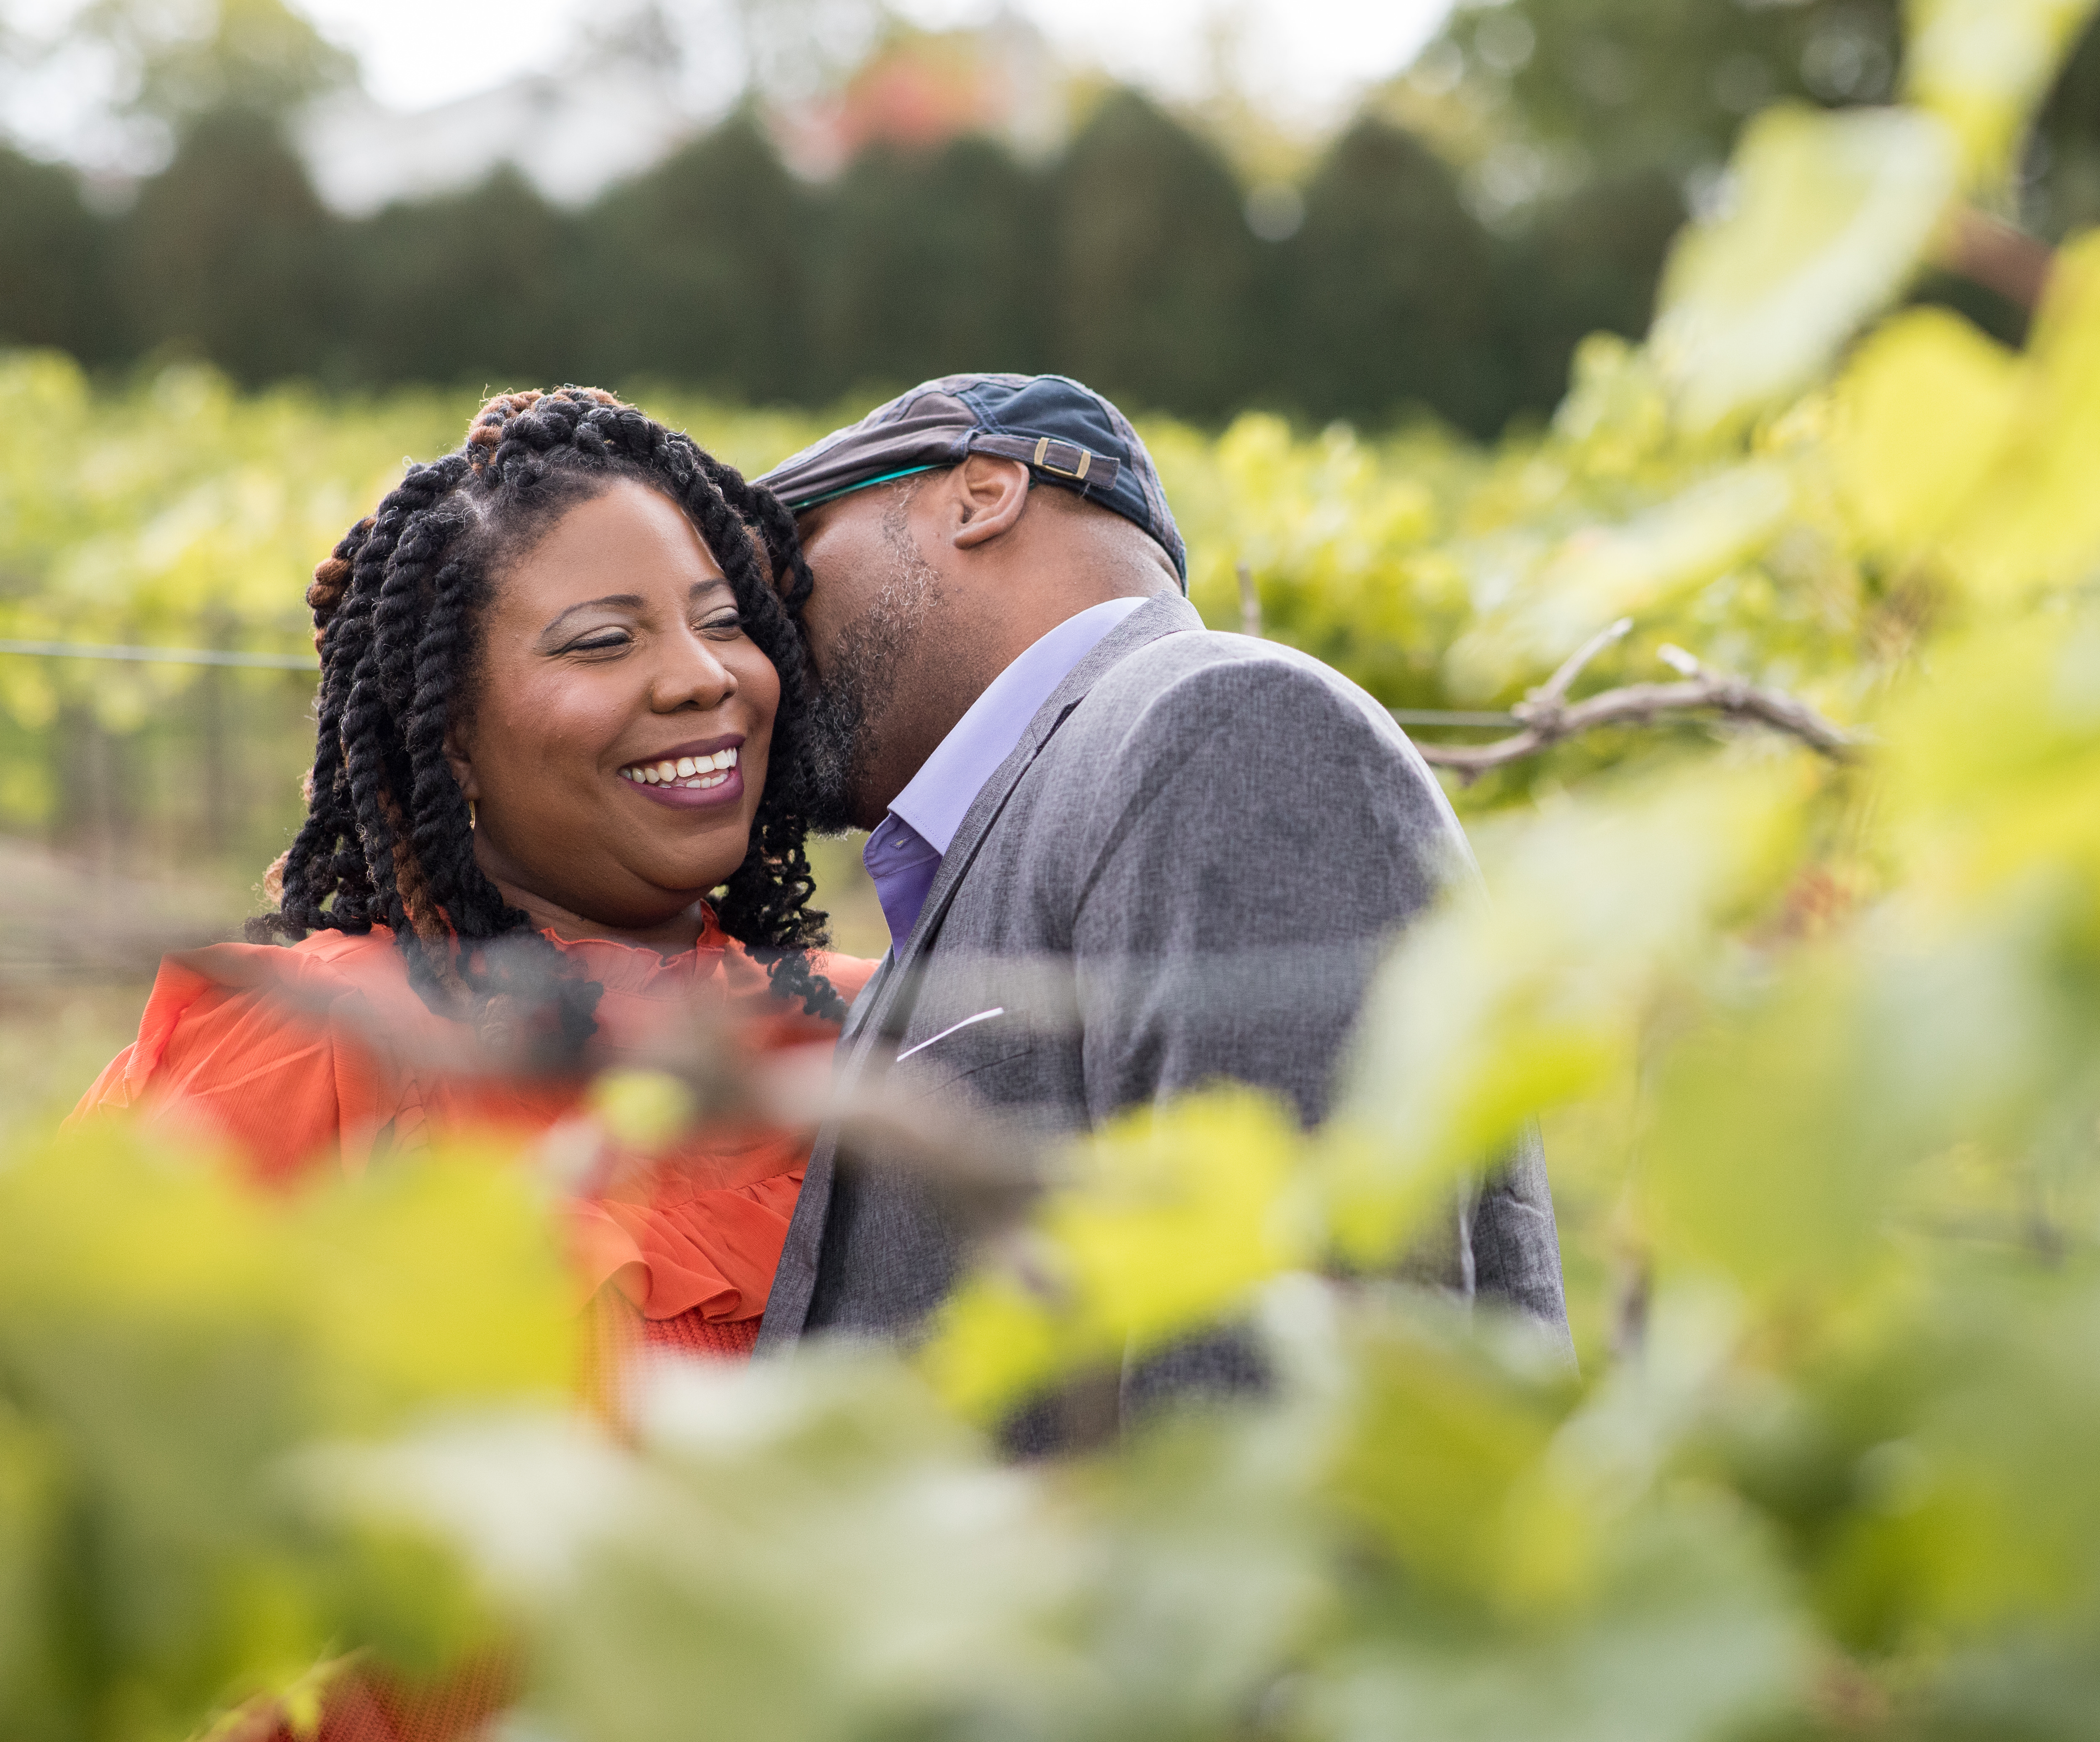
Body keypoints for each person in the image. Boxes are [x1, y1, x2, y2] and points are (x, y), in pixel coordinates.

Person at [755, 372, 1567, 1418]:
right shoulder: (1040, 816)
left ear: (981, 493)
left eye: (797, 555)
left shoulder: (1221, 727)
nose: (764, 636)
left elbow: (1288, 1387)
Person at [78, 387, 877, 1366]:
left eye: (722, 624)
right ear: (448, 737)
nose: (703, 676)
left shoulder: (873, 1032)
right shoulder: (311, 1042)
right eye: (603, 641)